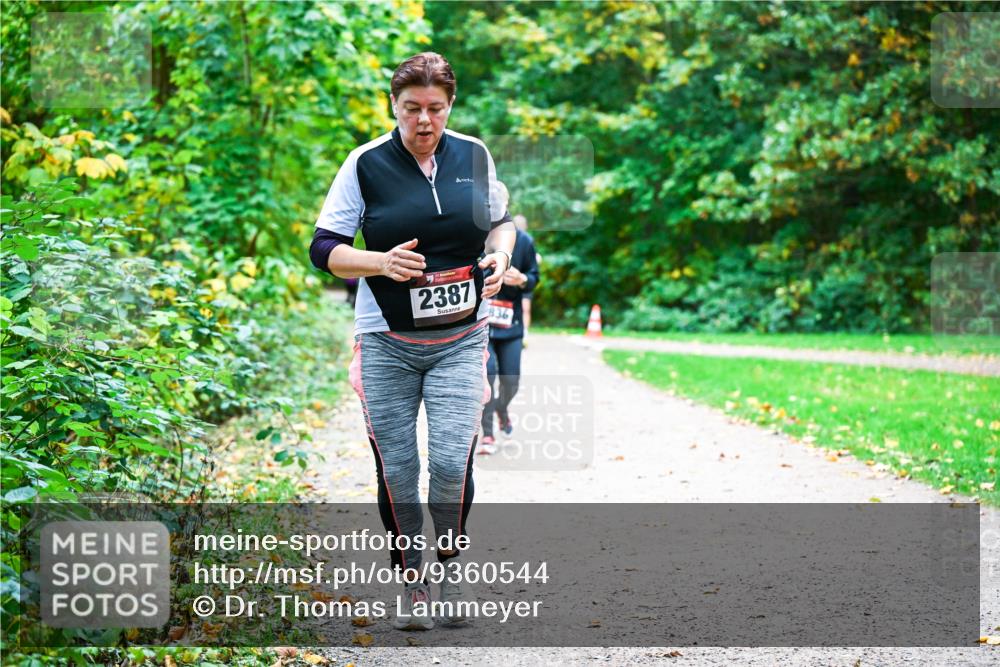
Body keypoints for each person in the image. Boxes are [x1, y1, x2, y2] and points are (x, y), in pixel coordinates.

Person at [308, 52, 516, 630]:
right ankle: (413, 585)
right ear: (394, 107)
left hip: (459, 337)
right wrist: (380, 261)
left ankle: (448, 570)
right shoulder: (365, 164)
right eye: (411, 110)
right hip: (386, 341)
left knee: (451, 462)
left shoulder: (473, 154)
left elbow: (501, 220)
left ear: (450, 106)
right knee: (400, 471)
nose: (424, 122)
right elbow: (325, 248)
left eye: (436, 109)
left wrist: (498, 254)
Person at [479, 205, 540, 454]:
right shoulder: (473, 235)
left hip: (510, 324)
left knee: (511, 381)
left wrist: (522, 279)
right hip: (481, 324)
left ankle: (502, 409)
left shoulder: (523, 241)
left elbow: (534, 278)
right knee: (487, 377)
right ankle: (488, 435)